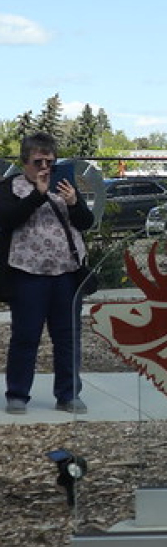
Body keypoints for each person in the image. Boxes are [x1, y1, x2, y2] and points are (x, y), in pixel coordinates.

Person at [1, 131, 95, 414]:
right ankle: (17, 394)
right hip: (27, 273)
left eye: (50, 163)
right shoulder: (9, 188)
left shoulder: (64, 188)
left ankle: (68, 394)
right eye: (38, 162)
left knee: (68, 337)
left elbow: (86, 222)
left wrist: (74, 202)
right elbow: (7, 220)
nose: (45, 168)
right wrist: (37, 196)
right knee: (26, 336)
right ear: (24, 162)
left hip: (66, 274)